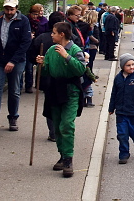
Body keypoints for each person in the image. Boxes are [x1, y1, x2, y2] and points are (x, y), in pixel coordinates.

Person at [37, 21, 88, 178]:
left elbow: (81, 69)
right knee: (57, 125)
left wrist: (66, 57)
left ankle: (68, 160)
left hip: (71, 91)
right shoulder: (51, 50)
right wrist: (42, 64)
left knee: (66, 124)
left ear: (62, 34)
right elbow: (46, 72)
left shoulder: (75, 50)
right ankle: (62, 154)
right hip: (54, 90)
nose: (51, 35)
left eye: (54, 33)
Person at [0, 0, 31, 136]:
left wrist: (13, 61)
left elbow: (25, 43)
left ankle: (13, 117)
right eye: (7, 8)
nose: (9, 12)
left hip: (16, 60)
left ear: (16, 8)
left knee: (14, 90)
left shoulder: (23, 21)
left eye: (11, 9)